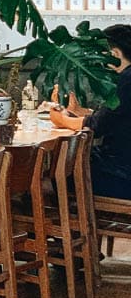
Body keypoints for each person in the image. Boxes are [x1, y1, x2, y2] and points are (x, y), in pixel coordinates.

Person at [48, 24, 131, 199]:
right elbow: (114, 118)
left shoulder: (127, 80)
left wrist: (59, 119)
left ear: (114, 54)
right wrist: (79, 111)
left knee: (59, 170)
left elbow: (96, 127)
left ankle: (73, 222)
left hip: (120, 176)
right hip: (122, 169)